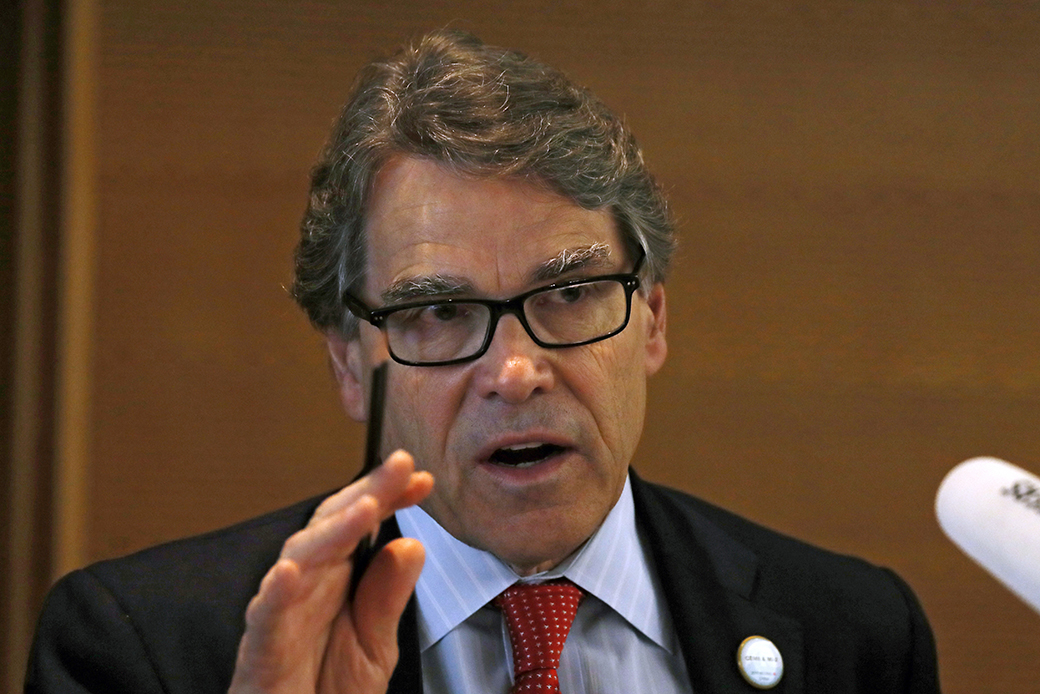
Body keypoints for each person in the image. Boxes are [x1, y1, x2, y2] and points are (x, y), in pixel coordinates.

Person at [25, 30, 941, 694]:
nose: (515, 370)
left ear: (652, 320)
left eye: (572, 295)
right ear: (351, 363)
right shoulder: (145, 651)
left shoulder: (854, 635)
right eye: (439, 311)